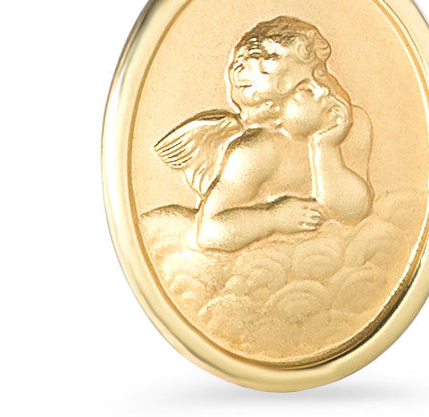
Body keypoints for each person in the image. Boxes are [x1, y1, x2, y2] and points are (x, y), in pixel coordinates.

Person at [153, 17, 373, 251]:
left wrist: (326, 149)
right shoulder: (257, 152)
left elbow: (354, 212)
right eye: (303, 89)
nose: (323, 90)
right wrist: (274, 218)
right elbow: (209, 231)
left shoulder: (352, 125)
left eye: (320, 73)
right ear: (271, 109)